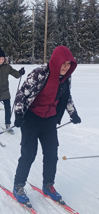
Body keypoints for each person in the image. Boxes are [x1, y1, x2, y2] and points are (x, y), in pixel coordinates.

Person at [13, 46, 81, 205]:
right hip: (31, 119)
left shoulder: (66, 78)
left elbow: (66, 97)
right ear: (56, 61)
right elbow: (22, 94)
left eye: (69, 64)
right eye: (63, 64)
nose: (65, 67)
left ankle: (48, 184)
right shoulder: (39, 74)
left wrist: (73, 113)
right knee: (29, 153)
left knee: (51, 154)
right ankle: (18, 186)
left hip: (49, 120)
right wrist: (18, 113)